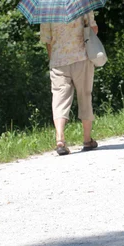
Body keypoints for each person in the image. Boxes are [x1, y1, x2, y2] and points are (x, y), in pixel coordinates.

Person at [40, 11, 99, 155]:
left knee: (59, 100)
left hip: (58, 61)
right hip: (81, 57)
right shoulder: (82, 3)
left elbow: (47, 40)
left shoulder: (47, 10)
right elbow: (93, 30)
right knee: (85, 96)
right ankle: (87, 140)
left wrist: (53, 59)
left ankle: (60, 140)